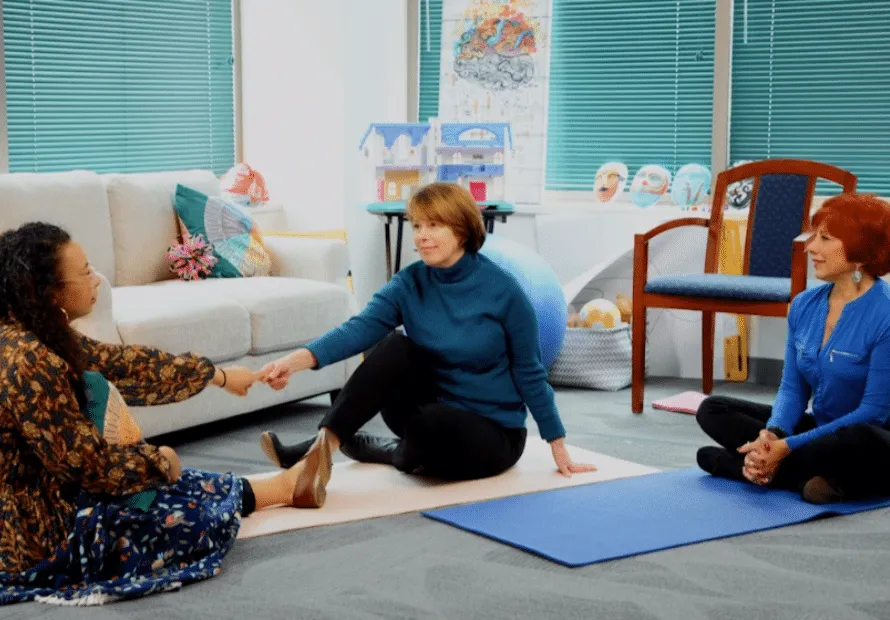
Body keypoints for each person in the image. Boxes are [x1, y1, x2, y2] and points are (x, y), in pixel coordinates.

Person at [0, 222, 319, 606]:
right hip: (32, 534)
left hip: (55, 489)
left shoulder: (34, 332)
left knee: (160, 480)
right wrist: (156, 460)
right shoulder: (29, 360)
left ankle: (285, 487)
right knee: (173, 517)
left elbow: (123, 364)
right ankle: (284, 488)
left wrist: (216, 376)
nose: (97, 279)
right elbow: (88, 465)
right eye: (85, 271)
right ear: (51, 294)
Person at [258, 182, 595, 507]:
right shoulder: (410, 282)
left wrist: (557, 443)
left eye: (434, 225)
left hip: (492, 431)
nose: (421, 235)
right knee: (395, 348)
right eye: (418, 225)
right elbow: (358, 329)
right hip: (427, 409)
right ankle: (322, 449)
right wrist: (295, 361)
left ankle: (395, 453)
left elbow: (529, 372)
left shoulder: (504, 291)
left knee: (428, 428)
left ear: (462, 231)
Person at [695, 193, 890, 504]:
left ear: (861, 250)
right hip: (823, 430)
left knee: (859, 438)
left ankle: (747, 467)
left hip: (872, 436)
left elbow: (873, 412)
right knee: (714, 410)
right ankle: (809, 479)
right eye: (814, 237)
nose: (811, 247)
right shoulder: (804, 305)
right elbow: (792, 389)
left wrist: (788, 447)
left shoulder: (886, 312)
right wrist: (774, 435)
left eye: (825, 238)